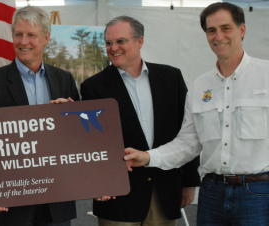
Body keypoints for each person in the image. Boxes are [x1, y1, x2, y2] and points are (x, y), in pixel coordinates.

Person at [124, 2, 269, 225]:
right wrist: (148, 157)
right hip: (212, 193)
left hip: (259, 194)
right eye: (211, 30)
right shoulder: (201, 86)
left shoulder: (265, 76)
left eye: (226, 28)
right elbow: (188, 143)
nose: (218, 36)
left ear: (242, 30)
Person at [80, 16, 200, 226]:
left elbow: (188, 131)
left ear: (140, 41)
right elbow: (91, 143)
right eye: (108, 43)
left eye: (120, 41)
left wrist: (190, 181)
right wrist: (97, 183)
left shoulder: (171, 78)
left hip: (165, 191)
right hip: (118, 197)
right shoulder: (93, 87)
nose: (113, 48)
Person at [0, 5, 79, 226]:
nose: (23, 42)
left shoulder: (64, 80)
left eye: (31, 35)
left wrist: (71, 118)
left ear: (46, 38)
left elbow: (78, 139)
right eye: (18, 34)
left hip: (55, 202)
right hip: (8, 204)